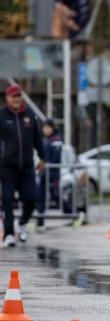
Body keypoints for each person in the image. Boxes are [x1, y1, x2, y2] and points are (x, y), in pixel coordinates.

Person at [0, 85, 45, 246]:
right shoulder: (2, 115)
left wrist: (42, 157)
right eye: (13, 96)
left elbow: (37, 138)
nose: (16, 99)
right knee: (7, 200)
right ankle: (9, 234)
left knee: (31, 199)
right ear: (8, 98)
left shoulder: (29, 115)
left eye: (19, 96)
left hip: (26, 166)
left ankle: (22, 223)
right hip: (7, 166)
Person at [34, 119, 63, 229]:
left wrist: (48, 164)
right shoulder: (42, 139)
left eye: (48, 127)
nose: (46, 130)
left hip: (53, 173)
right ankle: (40, 221)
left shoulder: (56, 139)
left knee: (55, 196)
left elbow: (55, 156)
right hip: (43, 173)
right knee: (40, 196)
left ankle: (75, 214)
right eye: (44, 127)